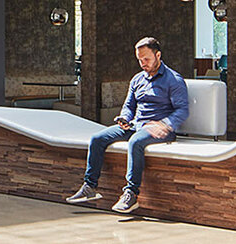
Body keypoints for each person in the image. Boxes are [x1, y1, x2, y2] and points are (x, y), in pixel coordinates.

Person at [64, 36, 190, 213]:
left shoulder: (173, 80)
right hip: (136, 125)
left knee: (135, 142)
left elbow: (182, 110)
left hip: (159, 129)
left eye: (146, 59)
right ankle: (90, 187)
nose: (142, 63)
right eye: (139, 60)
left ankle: (131, 194)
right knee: (97, 139)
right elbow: (129, 106)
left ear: (158, 55)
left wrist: (164, 124)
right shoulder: (137, 79)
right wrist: (124, 118)